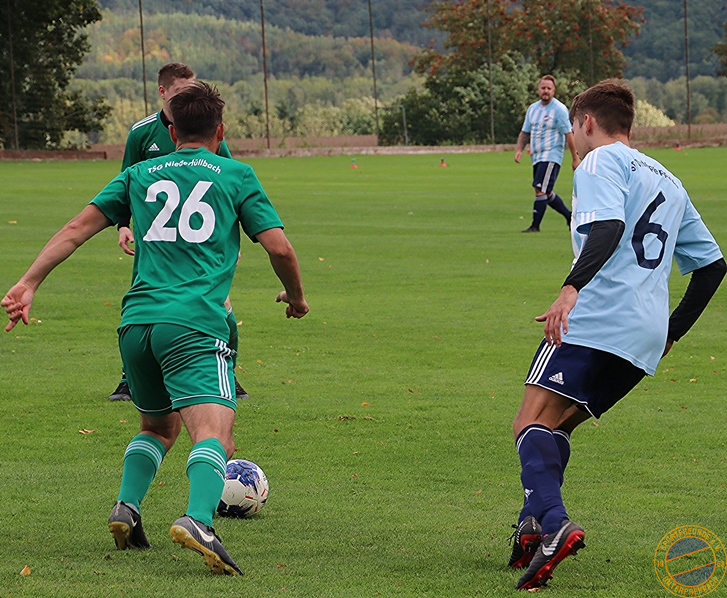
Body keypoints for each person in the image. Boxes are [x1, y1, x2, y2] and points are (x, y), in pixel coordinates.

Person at [2, 81, 309, 576]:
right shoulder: (236, 174)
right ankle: (199, 521)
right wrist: (295, 297)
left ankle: (127, 507)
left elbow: (75, 230)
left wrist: (28, 282)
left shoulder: (140, 174)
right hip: (194, 324)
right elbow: (280, 248)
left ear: (170, 131)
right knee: (215, 434)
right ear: (221, 131)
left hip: (136, 325)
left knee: (158, 427)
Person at [508, 80, 725, 590]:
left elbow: (606, 229)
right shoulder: (670, 180)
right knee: (557, 428)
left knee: (529, 423)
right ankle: (531, 525)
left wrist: (569, 289)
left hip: (596, 318)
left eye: (574, 128)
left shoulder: (599, 162)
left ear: (586, 122)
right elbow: (713, 267)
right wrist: (671, 332)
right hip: (644, 335)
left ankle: (554, 524)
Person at [109, 62, 247, 402]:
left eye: (192, 89)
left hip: (202, 241)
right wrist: (123, 225)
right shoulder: (141, 133)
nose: (189, 96)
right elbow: (125, 181)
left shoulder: (205, 130)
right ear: (163, 92)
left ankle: (227, 369)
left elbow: (227, 180)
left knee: (221, 305)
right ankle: (130, 378)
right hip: (156, 239)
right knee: (143, 301)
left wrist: (232, 239)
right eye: (181, 91)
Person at [515, 75, 580, 233]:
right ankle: (569, 216)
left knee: (540, 190)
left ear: (554, 90)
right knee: (546, 191)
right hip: (536, 156)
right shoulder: (533, 109)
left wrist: (575, 158)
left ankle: (535, 226)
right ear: (538, 89)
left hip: (551, 156)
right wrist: (519, 150)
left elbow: (568, 134)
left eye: (549, 88)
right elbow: (525, 132)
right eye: (543, 88)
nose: (546, 91)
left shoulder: (559, 109)